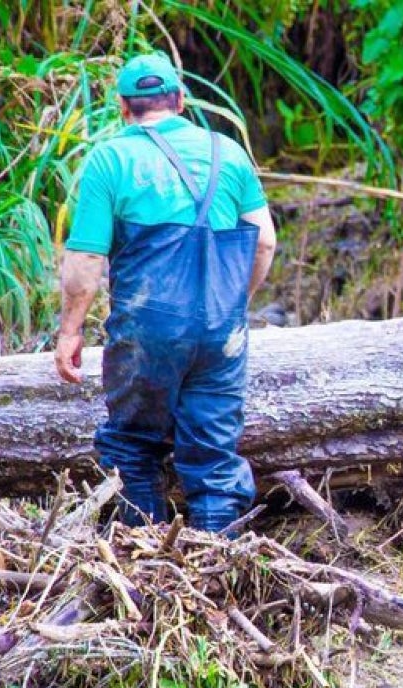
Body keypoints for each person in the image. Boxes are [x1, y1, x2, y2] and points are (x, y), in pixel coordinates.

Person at [54, 51, 278, 532]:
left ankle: (143, 559)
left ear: (122, 105)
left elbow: (87, 260)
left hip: (148, 330)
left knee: (133, 447)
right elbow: (264, 241)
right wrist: (234, 305)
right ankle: (218, 562)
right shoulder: (228, 151)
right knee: (215, 458)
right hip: (222, 330)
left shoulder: (110, 159)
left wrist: (70, 331)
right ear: (179, 99)